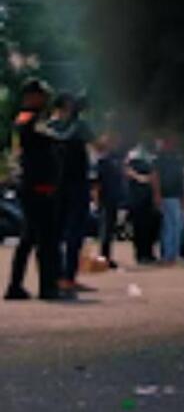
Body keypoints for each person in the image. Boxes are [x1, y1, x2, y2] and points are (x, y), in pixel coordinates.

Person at [4, 80, 73, 301]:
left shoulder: (35, 120)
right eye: (41, 95)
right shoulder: (27, 119)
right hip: (37, 187)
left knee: (31, 238)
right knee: (46, 240)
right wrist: (60, 136)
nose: (44, 100)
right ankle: (47, 287)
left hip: (39, 186)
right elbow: (43, 137)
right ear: (30, 96)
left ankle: (18, 286)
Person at [48, 93, 95, 293]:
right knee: (74, 233)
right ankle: (67, 278)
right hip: (75, 184)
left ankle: (59, 277)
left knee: (57, 233)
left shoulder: (48, 126)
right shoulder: (79, 126)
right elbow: (95, 142)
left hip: (56, 185)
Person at [93, 132, 127, 270]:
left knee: (110, 229)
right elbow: (96, 183)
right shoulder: (102, 160)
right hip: (105, 197)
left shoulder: (114, 159)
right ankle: (104, 257)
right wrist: (96, 200)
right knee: (105, 230)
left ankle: (107, 256)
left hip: (114, 197)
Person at [152, 138, 184, 265]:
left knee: (177, 226)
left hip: (176, 195)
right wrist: (157, 194)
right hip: (166, 195)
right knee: (169, 226)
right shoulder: (158, 160)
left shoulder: (177, 159)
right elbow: (155, 177)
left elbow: (181, 178)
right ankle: (168, 254)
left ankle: (174, 253)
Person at [126, 143, 160, 264]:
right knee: (140, 229)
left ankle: (146, 253)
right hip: (138, 201)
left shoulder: (147, 162)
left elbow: (153, 179)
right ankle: (142, 255)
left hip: (144, 200)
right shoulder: (132, 163)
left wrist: (156, 196)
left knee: (147, 228)